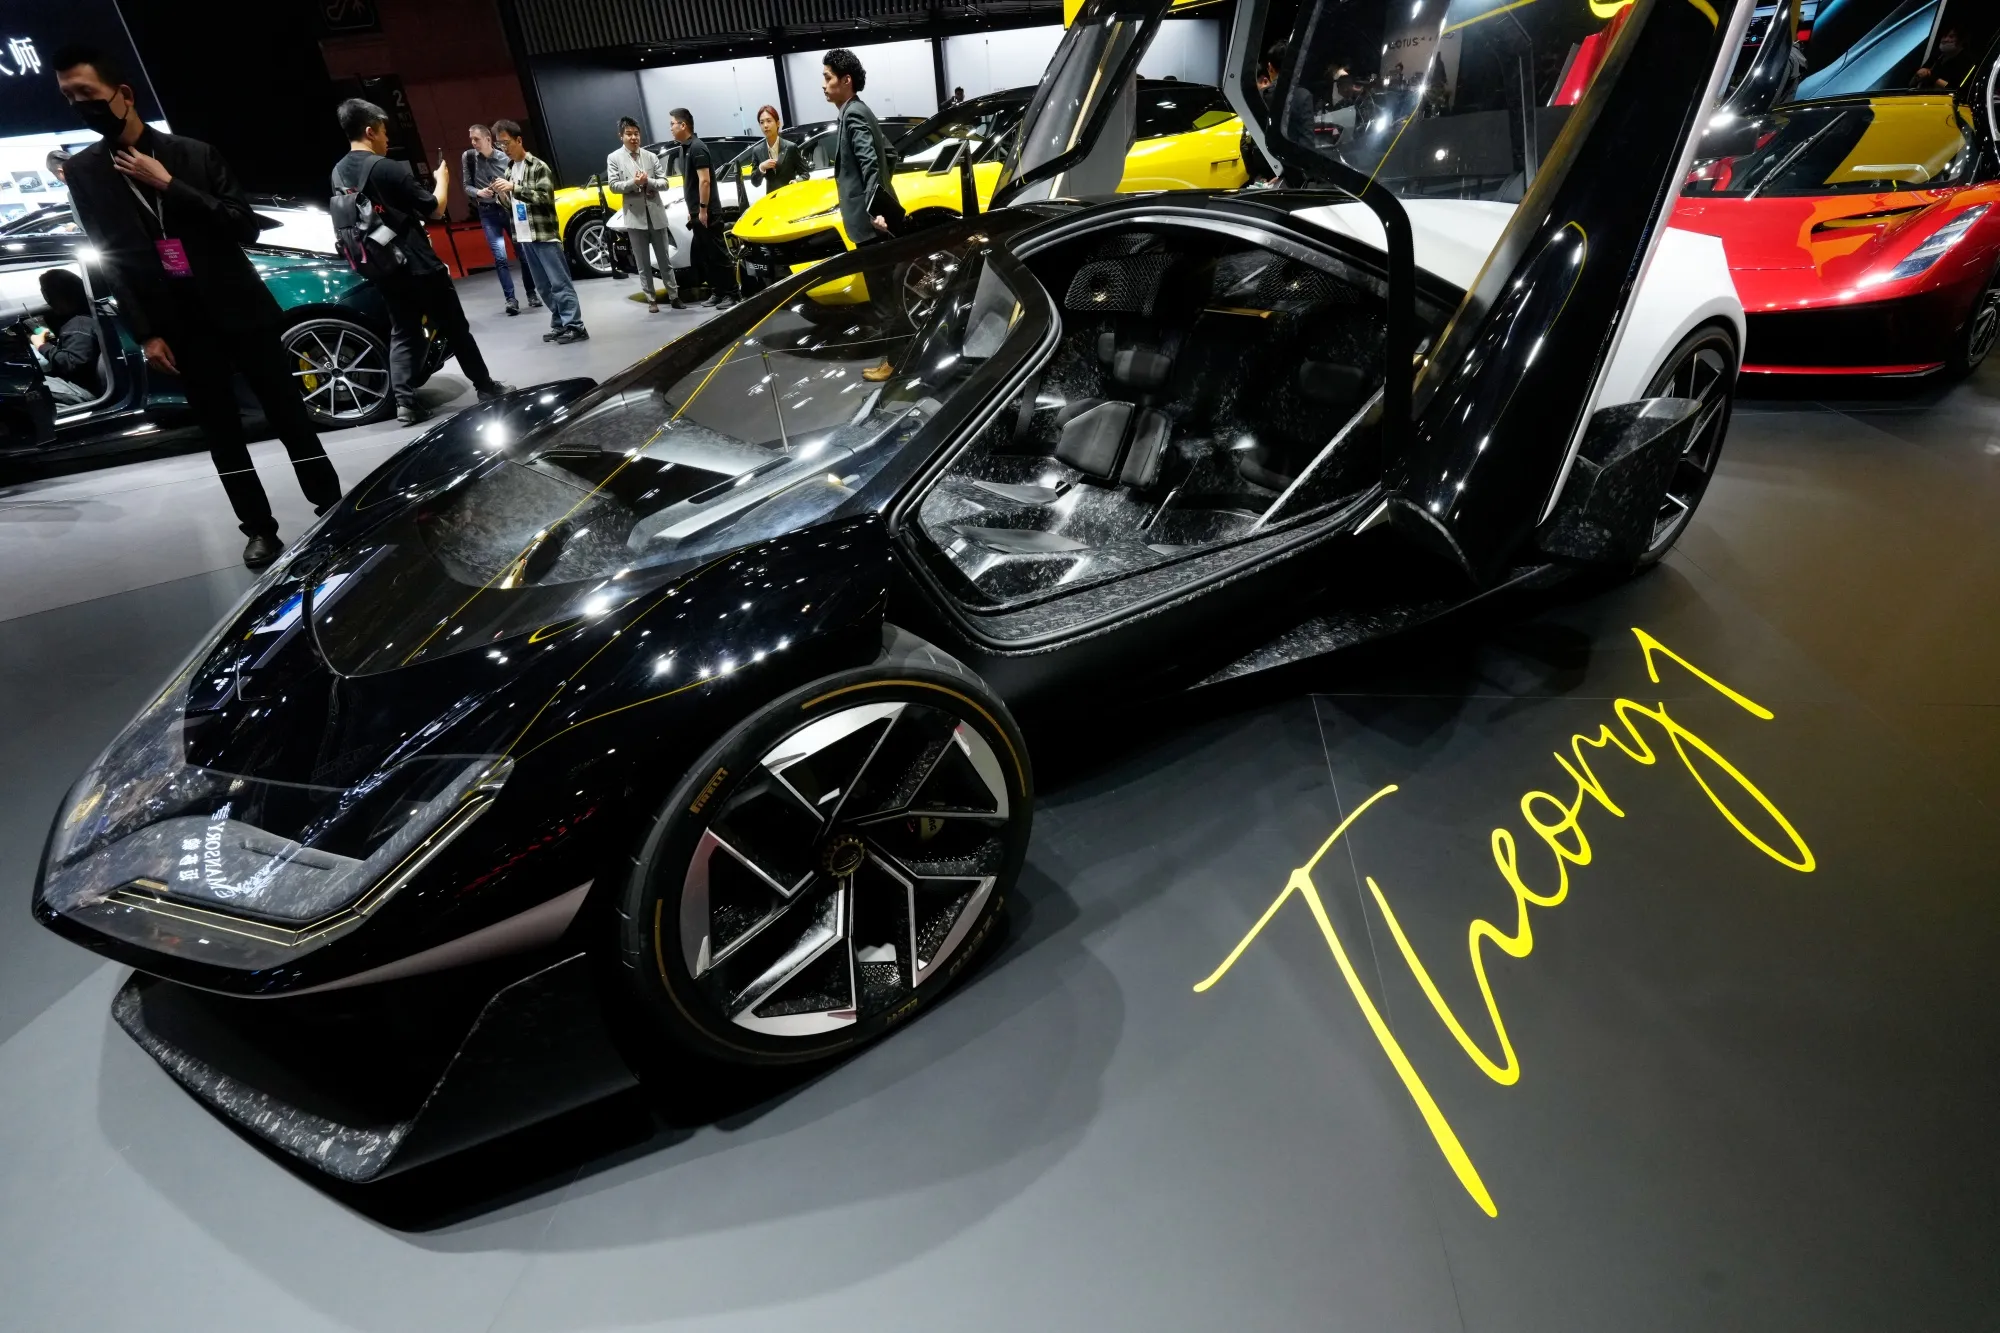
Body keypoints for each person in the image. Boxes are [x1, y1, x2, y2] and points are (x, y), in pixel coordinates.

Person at [53, 43, 341, 569]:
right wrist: (145, 332)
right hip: (178, 324)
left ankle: (330, 504)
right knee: (221, 433)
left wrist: (169, 185)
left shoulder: (193, 154)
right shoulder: (86, 172)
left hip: (241, 307)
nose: (79, 106)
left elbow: (244, 226)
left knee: (288, 414)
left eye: (87, 95)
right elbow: (110, 260)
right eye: (69, 98)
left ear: (123, 94)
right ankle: (258, 529)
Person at [334, 98, 514, 425]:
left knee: (404, 331)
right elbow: (435, 208)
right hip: (417, 263)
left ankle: (405, 403)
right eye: (384, 132)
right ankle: (486, 387)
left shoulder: (338, 173)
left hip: (381, 264)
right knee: (455, 328)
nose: (387, 139)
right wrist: (441, 178)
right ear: (370, 131)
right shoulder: (386, 168)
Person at [823, 48, 904, 381]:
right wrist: (881, 191)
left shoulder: (853, 114)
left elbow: (871, 161)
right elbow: (891, 154)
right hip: (876, 220)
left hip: (872, 224)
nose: (824, 85)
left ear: (846, 80)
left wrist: (873, 207)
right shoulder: (858, 111)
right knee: (887, 290)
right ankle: (898, 357)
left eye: (828, 78)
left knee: (883, 295)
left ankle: (895, 363)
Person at [491, 119, 587, 343]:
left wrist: (514, 188)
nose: (504, 148)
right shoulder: (509, 169)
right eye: (499, 145)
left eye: (506, 143)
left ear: (519, 140)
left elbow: (544, 198)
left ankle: (575, 326)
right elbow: (512, 206)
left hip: (544, 234)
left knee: (559, 283)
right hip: (524, 235)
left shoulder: (538, 166)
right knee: (543, 286)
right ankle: (560, 323)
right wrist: (502, 195)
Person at [605, 115, 680, 312]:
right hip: (635, 217)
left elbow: (664, 183)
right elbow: (613, 185)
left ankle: (674, 296)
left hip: (656, 214)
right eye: (629, 134)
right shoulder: (614, 158)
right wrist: (634, 183)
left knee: (665, 260)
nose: (633, 138)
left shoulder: (650, 156)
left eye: (636, 134)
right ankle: (651, 300)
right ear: (621, 136)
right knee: (643, 263)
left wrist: (649, 182)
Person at [463, 123, 538, 315]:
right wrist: (479, 192)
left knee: (523, 254)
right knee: (500, 257)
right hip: (487, 212)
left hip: (508, 209)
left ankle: (531, 293)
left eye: (476, 139)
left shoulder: (505, 158)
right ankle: (510, 300)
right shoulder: (469, 158)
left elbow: (516, 183)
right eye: (471, 139)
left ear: (488, 139)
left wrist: (505, 190)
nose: (473, 143)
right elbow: (466, 186)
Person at [669, 108, 736, 310]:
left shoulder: (698, 147)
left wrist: (703, 209)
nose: (670, 128)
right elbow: (690, 184)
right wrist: (692, 211)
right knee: (707, 256)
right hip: (697, 212)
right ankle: (718, 292)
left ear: (683, 125)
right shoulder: (683, 148)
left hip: (709, 212)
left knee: (719, 254)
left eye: (672, 124)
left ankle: (732, 293)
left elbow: (704, 181)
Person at [29, 268, 101, 406]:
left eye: (47, 293)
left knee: (24, 384)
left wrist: (41, 345)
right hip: (87, 385)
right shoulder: (87, 318)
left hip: (85, 390)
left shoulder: (79, 325)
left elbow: (72, 363)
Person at [731, 105, 807, 196]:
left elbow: (805, 174)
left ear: (778, 123)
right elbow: (755, 183)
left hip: (790, 196)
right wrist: (761, 167)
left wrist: (797, 181)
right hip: (771, 198)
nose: (765, 125)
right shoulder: (757, 151)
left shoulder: (791, 147)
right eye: (762, 122)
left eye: (769, 121)